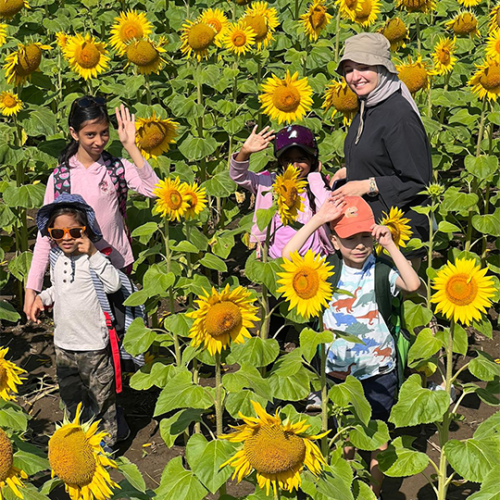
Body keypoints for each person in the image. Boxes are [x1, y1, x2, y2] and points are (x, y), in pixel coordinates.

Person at [283, 195, 420, 498]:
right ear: (334, 240)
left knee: (377, 436)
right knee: (344, 436)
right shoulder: (325, 268)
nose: (358, 245)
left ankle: (373, 491)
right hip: (338, 374)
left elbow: (412, 285)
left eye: (364, 237)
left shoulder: (381, 269)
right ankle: (347, 488)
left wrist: (390, 245)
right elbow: (288, 255)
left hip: (378, 370)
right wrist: (318, 219)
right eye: (349, 238)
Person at [24, 96, 160, 321]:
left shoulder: (117, 169)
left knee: (121, 337)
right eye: (90, 135)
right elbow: (45, 237)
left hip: (116, 266)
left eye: (104, 133)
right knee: (89, 339)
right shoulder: (60, 179)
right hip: (77, 273)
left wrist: (131, 147)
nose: (99, 141)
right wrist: (32, 288)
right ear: (74, 133)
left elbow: (155, 190)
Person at [331, 33, 432, 267]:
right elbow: (383, 154)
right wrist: (351, 170)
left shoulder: (399, 115)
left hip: (398, 234)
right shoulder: (369, 104)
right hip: (369, 230)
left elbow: (417, 181)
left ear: (382, 68)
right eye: (348, 69)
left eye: (363, 67)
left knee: (400, 300)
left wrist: (366, 185)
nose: (354, 77)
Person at [30, 193, 121, 447]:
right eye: (58, 234)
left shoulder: (94, 259)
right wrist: (42, 299)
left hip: (92, 342)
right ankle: (77, 444)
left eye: (74, 231)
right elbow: (58, 289)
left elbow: (113, 285)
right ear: (51, 235)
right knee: (71, 397)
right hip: (64, 343)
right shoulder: (57, 260)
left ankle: (105, 446)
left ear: (86, 231)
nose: (66, 238)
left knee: (101, 398)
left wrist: (93, 253)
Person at [230, 124, 334, 259]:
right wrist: (245, 151)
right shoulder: (269, 184)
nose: (294, 166)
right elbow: (238, 176)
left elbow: (327, 207)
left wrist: (315, 176)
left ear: (312, 159)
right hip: (277, 258)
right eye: (288, 160)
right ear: (280, 161)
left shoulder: (317, 185)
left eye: (301, 159)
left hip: (313, 259)